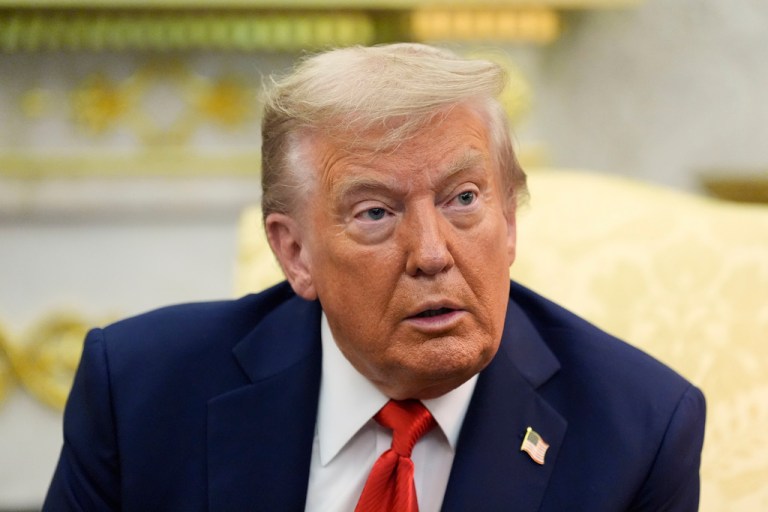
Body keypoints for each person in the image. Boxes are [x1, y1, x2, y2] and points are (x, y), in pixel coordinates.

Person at [43, 43, 705, 512]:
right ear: (296, 253)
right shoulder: (139, 392)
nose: (431, 254)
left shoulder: (638, 430)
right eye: (376, 212)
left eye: (464, 199)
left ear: (509, 219)